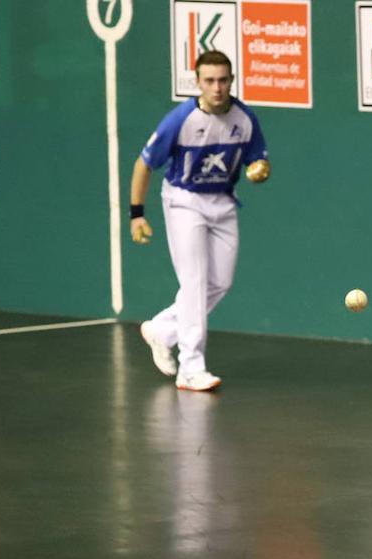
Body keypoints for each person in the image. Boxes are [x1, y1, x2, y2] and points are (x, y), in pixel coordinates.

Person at [128, 49, 270, 392]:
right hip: (184, 201)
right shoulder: (180, 120)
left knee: (219, 282)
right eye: (209, 81)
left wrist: (260, 170)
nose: (217, 87)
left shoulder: (244, 118)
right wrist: (136, 215)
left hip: (222, 203)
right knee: (193, 283)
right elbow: (143, 165)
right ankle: (191, 367)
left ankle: (162, 330)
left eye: (223, 80)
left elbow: (258, 160)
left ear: (232, 80)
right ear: (197, 83)